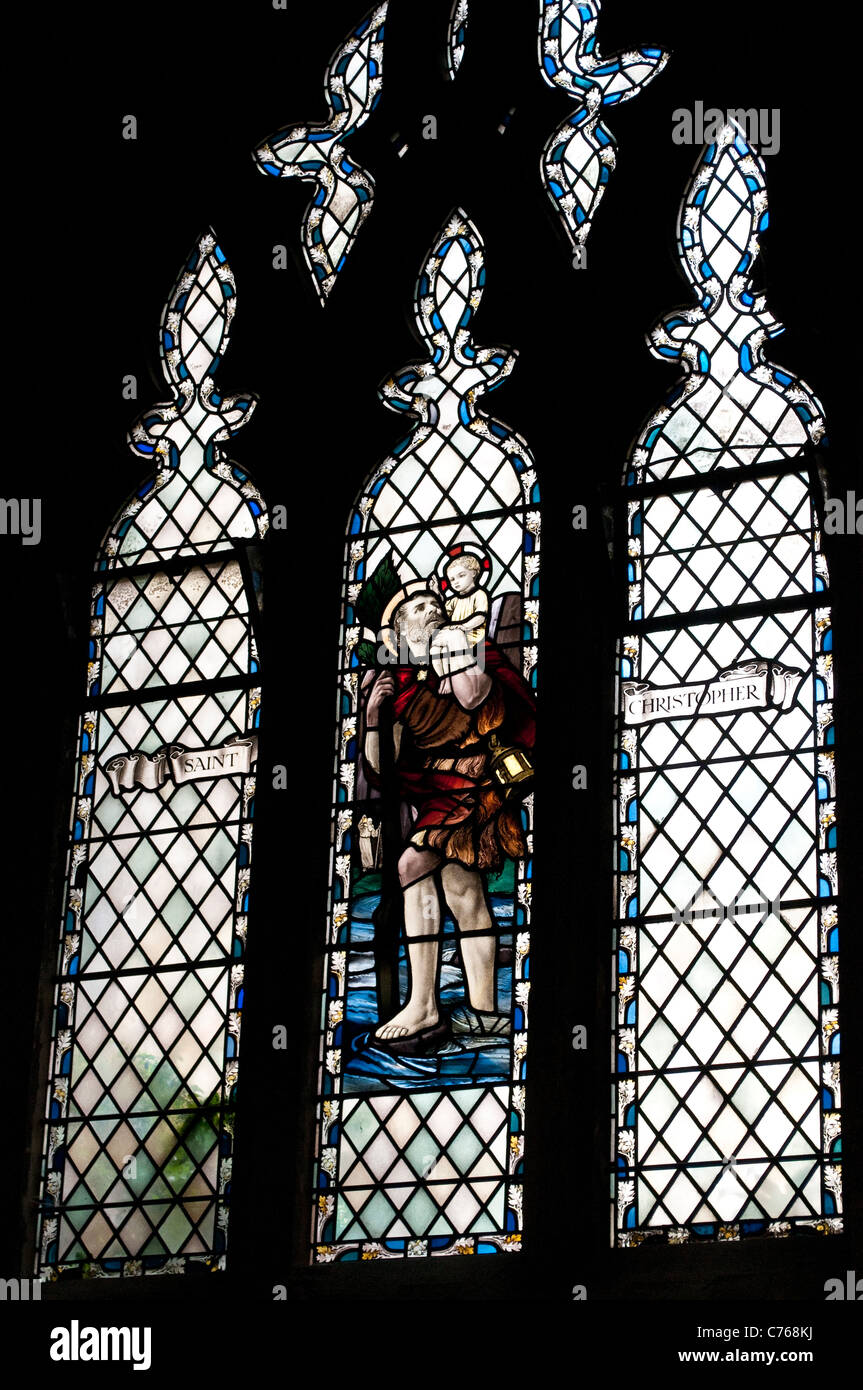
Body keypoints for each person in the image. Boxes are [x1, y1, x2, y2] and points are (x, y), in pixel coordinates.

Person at [363, 583, 535, 1051]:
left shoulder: (465, 646)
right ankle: (484, 1012)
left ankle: (424, 1005)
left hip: (480, 783)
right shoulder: (398, 685)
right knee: (464, 893)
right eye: (419, 608)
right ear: (399, 630)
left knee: (410, 866)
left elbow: (477, 698)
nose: (432, 609)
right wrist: (375, 715)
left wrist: (457, 645)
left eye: (435, 603)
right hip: (441, 793)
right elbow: (380, 769)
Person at [441, 552, 489, 645]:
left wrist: (465, 626)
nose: (456, 582)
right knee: (435, 648)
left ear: (473, 573)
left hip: (472, 635)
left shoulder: (479, 594)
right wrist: (437, 594)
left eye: (461, 575)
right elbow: (443, 615)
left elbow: (481, 616)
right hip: (454, 634)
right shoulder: (454, 600)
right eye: (452, 579)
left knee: (452, 641)